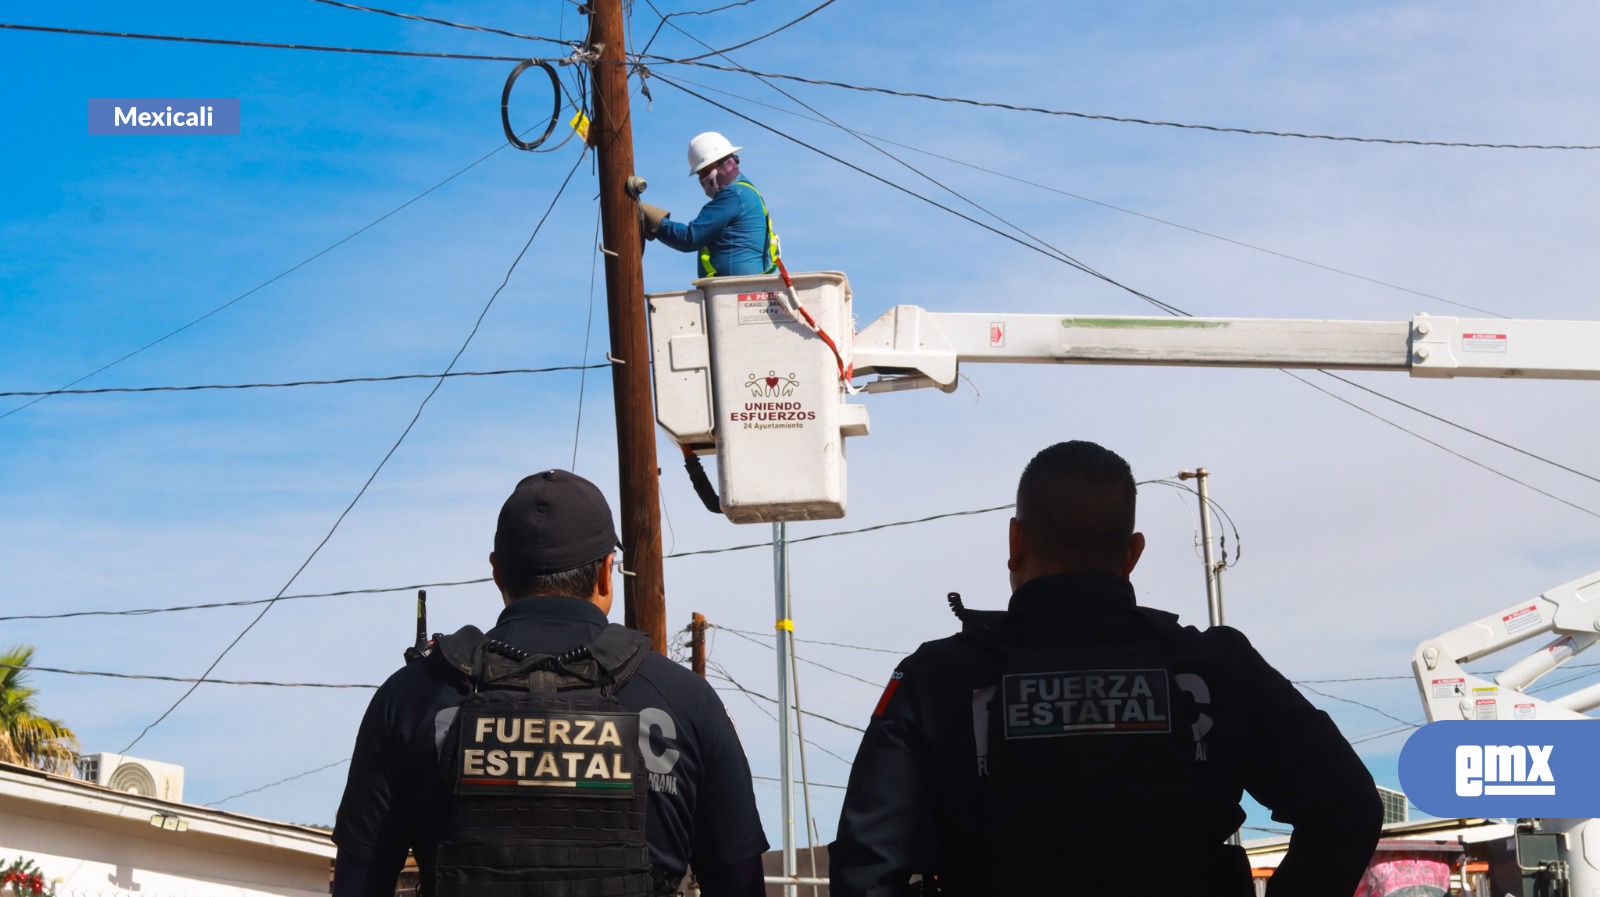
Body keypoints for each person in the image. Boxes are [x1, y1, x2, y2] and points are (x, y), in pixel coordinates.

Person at [829, 441, 1383, 897]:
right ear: (1132, 553)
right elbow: (1348, 806)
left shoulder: (936, 681)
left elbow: (867, 866)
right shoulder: (1217, 668)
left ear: (1016, 541)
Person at [332, 469, 769, 897]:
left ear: (497, 572)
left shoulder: (410, 697)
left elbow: (358, 880)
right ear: (605, 572)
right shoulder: (686, 701)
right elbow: (740, 881)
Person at [638, 131, 779, 280]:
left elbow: (689, 238)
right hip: (739, 289)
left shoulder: (733, 196)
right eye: (699, 174)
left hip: (734, 292)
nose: (702, 179)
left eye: (704, 171)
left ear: (723, 163)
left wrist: (654, 220)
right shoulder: (746, 193)